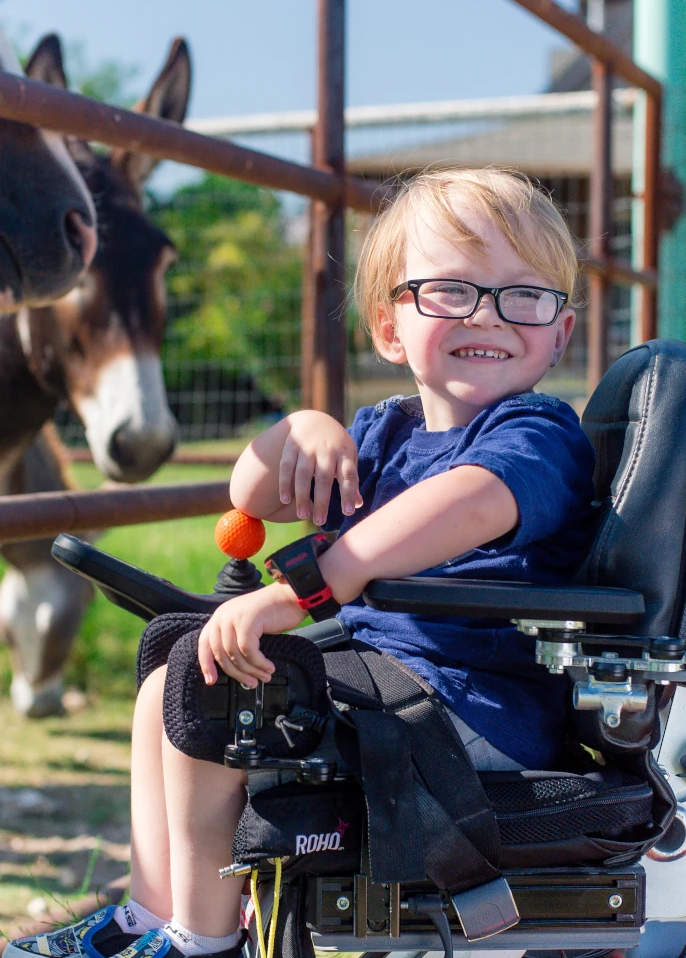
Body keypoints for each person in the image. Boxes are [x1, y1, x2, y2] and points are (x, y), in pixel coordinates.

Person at [9, 167, 596, 958]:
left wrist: (309, 587)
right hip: (389, 690)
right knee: (170, 676)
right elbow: (249, 493)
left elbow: (472, 503)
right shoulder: (382, 436)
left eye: (523, 295)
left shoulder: (538, 434)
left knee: (214, 692)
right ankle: (153, 917)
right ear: (390, 328)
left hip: (473, 712)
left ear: (560, 332)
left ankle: (205, 942)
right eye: (451, 290)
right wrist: (302, 430)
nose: (486, 313)